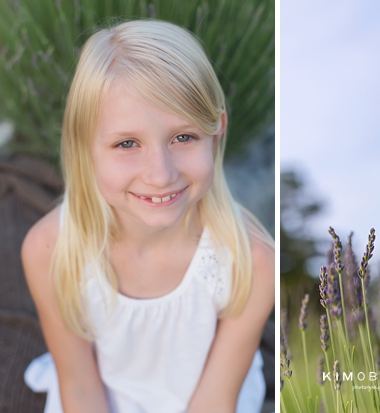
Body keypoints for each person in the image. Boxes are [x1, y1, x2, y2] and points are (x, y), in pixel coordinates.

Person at [20, 19, 275, 413]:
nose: (161, 174)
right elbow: (80, 388)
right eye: (127, 143)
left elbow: (215, 400)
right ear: (84, 146)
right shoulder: (49, 249)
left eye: (183, 137)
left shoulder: (253, 262)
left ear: (217, 130)